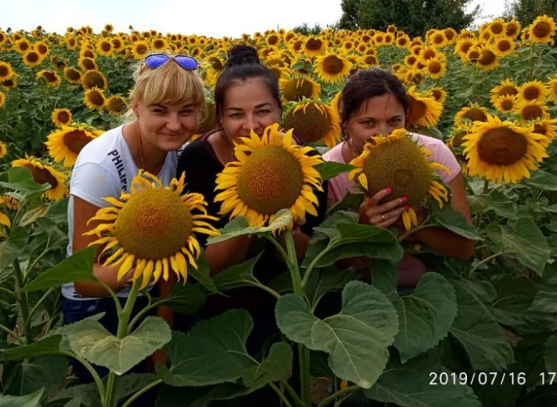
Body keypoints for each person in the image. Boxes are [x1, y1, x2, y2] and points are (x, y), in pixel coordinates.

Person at [61, 53, 205, 383]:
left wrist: (163, 331)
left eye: (186, 112)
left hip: (154, 299)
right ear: (136, 105)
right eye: (160, 110)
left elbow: (175, 256)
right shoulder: (100, 166)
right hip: (97, 309)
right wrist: (154, 257)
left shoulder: (181, 155)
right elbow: (86, 279)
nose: (174, 123)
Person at [177, 45, 328, 316]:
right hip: (219, 303)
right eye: (236, 114)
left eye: (262, 111)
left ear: (280, 110)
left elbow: (315, 260)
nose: (251, 125)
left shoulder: (304, 161)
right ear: (220, 117)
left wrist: (289, 229)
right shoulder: (196, 160)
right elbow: (203, 270)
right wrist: (250, 205)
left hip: (289, 301)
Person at [324, 68, 474, 291]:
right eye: (368, 123)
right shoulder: (329, 171)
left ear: (406, 119)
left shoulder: (433, 154)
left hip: (431, 282)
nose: (384, 134)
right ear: (346, 125)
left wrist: (415, 223)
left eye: (394, 121)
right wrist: (363, 230)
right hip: (365, 289)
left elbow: (465, 247)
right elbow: (334, 263)